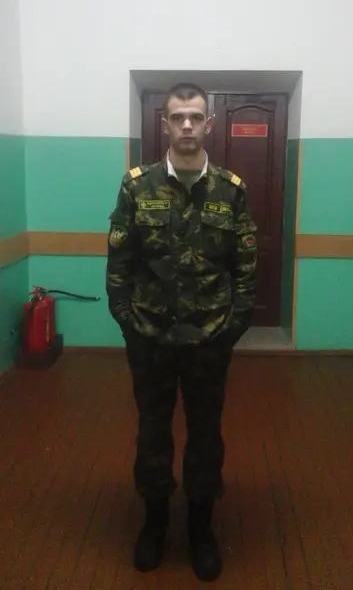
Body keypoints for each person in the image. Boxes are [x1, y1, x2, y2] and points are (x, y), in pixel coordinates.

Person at [106, 83, 258, 581]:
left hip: (209, 340)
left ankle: (200, 527)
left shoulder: (231, 189)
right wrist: (129, 323)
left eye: (195, 116)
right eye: (178, 117)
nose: (187, 125)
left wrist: (230, 329)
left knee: (206, 433)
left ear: (208, 124)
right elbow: (119, 262)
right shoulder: (137, 186)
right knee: (152, 431)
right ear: (165, 124)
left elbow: (246, 268)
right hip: (150, 338)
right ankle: (154, 522)